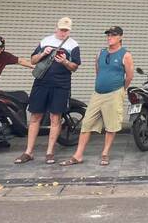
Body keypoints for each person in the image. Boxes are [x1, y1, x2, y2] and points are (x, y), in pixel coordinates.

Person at [60, 26, 133, 166]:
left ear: (120, 37)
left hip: (114, 93)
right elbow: (98, 71)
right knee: (87, 124)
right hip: (98, 93)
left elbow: (129, 76)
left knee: (111, 126)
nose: (109, 37)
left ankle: (105, 153)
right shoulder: (101, 53)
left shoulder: (126, 55)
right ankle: (78, 155)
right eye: (108, 35)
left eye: (113, 35)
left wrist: (121, 90)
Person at [15, 17, 80, 165]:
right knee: (35, 116)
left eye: (66, 30)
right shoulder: (45, 40)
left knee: (55, 118)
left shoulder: (73, 45)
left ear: (70, 30)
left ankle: (50, 152)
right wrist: (43, 53)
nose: (63, 33)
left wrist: (64, 61)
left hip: (61, 85)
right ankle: (28, 152)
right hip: (41, 83)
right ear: (56, 28)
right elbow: (33, 60)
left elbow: (75, 67)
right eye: (61, 29)